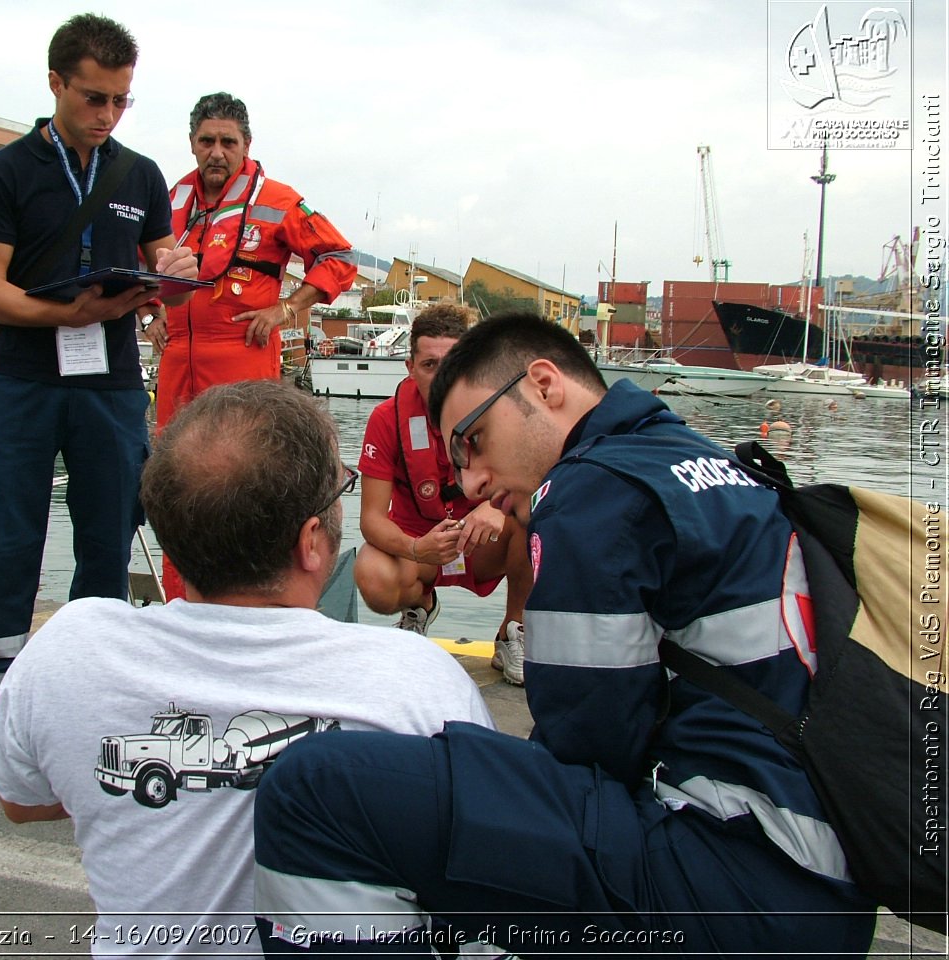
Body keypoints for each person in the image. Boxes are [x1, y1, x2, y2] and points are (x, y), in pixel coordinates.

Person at [250, 312, 876, 956]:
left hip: (732, 880)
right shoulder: (703, 459)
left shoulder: (590, 492)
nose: (470, 481)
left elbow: (588, 748)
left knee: (317, 788)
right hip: (821, 879)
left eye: (475, 439)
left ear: (544, 385)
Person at [0, 379, 493, 954]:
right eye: (340, 492)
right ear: (311, 541)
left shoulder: (70, 651)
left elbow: (19, 799)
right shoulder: (418, 683)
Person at [0, 14, 199, 765]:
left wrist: (171, 278)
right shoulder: (5, 172)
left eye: (120, 101)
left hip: (109, 383)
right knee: (4, 535)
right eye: (94, 98)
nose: (107, 114)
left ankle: (93, 696)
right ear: (56, 83)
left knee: (109, 536)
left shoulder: (141, 176)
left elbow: (163, 282)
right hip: (21, 378)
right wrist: (66, 312)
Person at [150, 92, 357, 601]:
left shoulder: (279, 199)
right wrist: (148, 311)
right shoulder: (171, 198)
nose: (217, 151)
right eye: (207, 141)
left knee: (249, 485)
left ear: (246, 144)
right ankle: (182, 606)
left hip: (243, 356)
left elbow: (338, 257)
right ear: (192, 143)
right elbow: (135, 260)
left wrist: (287, 308)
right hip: (178, 361)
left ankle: (254, 606)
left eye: (228, 141)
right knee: (177, 484)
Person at [353, 303, 531, 682]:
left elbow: (542, 487)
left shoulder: (502, 415)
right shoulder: (386, 420)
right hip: (420, 549)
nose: (441, 376)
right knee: (371, 573)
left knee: (540, 524)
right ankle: (419, 606)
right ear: (410, 368)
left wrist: (498, 508)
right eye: (429, 365)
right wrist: (417, 548)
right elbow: (369, 519)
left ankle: (513, 629)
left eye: (451, 363)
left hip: (484, 544)